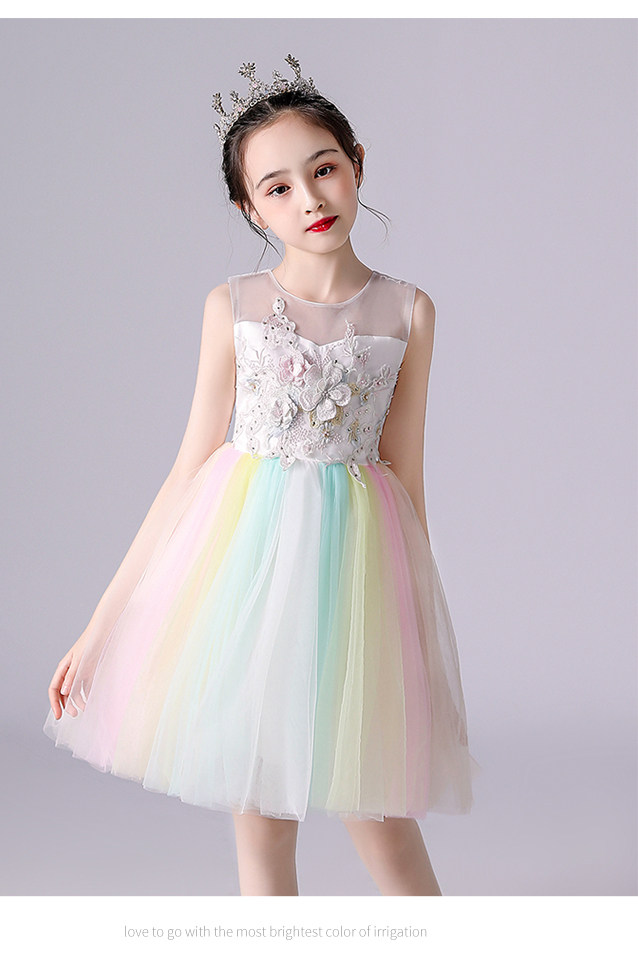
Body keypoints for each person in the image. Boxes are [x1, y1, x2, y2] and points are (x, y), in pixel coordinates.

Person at [43, 54, 480, 897]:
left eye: (324, 169)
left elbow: (408, 476)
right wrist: (99, 630)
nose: (310, 198)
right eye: (278, 188)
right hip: (245, 583)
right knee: (263, 822)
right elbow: (186, 472)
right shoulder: (234, 306)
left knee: (384, 823)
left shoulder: (409, 310)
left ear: (357, 163)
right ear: (250, 208)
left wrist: (423, 639)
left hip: (355, 584)